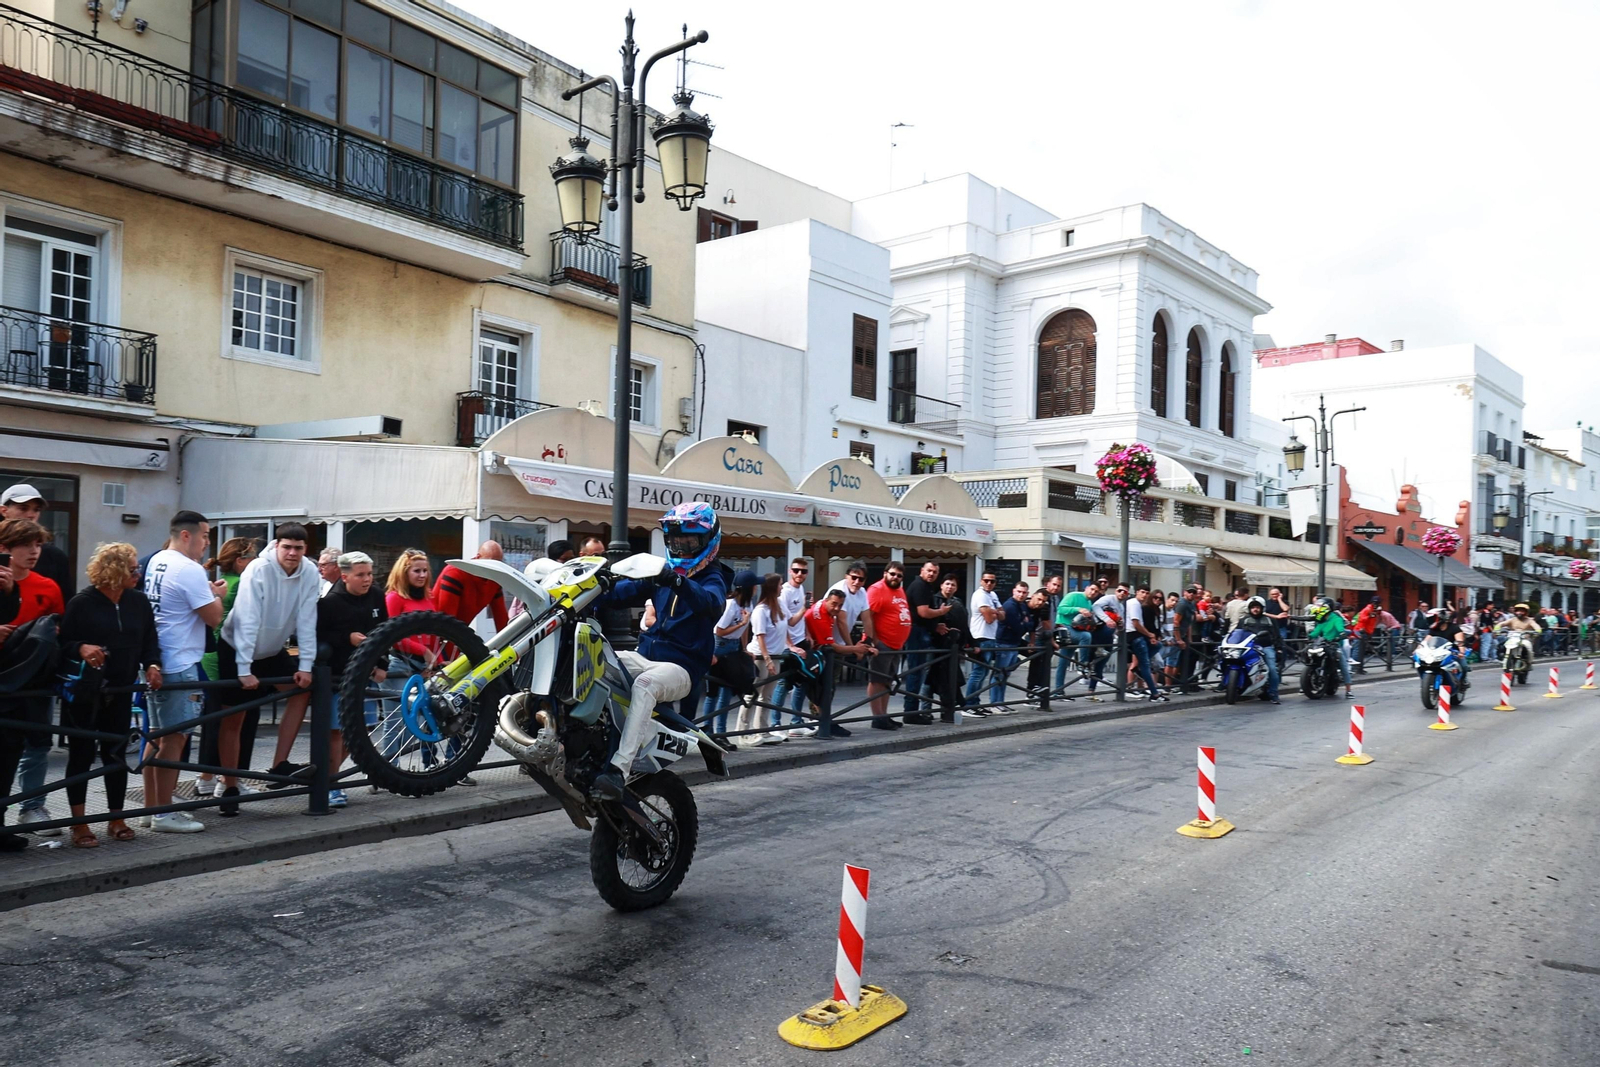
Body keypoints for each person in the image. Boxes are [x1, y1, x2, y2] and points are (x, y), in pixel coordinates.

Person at [588, 502, 727, 800]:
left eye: (690, 541)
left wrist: (676, 580)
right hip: (644, 655)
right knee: (591, 656)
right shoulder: (661, 576)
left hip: (681, 669)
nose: (682, 548)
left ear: (708, 541)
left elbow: (710, 604)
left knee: (645, 685)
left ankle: (618, 770)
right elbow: (621, 594)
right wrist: (594, 589)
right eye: (677, 541)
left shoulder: (713, 578)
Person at [56, 543, 161, 846]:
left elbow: (149, 642)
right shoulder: (82, 602)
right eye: (132, 569)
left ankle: (116, 818)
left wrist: (153, 665)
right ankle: (79, 824)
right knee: (81, 755)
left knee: (115, 755)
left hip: (121, 689)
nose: (138, 573)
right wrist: (80, 647)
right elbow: (62, 644)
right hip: (85, 692)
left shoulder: (138, 602)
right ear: (114, 570)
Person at [219, 527, 319, 813]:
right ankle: (230, 787)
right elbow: (248, 619)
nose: (292, 553)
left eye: (298, 548)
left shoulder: (310, 572)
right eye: (287, 547)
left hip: (273, 650)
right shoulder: (258, 570)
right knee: (233, 719)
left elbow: (307, 620)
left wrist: (305, 665)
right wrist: (243, 667)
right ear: (276, 545)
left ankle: (279, 766)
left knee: (302, 690)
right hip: (236, 646)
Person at [142, 512, 226, 833]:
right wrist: (217, 595)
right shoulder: (188, 568)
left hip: (158, 660)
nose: (208, 543)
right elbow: (214, 617)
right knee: (174, 740)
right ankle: (164, 813)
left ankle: (154, 809)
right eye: (205, 536)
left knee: (158, 737)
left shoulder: (158, 560)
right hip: (178, 662)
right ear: (187, 535)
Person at [0, 519, 67, 833]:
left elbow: (60, 630)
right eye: (26, 545)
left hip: (35, 681)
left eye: (38, 545)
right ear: (5, 548)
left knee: (38, 743)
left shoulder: (48, 586)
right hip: (3, 679)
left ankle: (32, 807)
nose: (34, 551)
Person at [315, 551, 388, 809]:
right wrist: (347, 638)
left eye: (369, 574)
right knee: (337, 731)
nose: (367, 579)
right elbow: (319, 637)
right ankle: (330, 785)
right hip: (338, 676)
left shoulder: (377, 595)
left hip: (366, 675)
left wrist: (382, 663)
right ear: (345, 576)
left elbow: (385, 630)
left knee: (363, 729)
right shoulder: (330, 602)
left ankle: (333, 775)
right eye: (360, 575)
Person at [194, 536, 258, 800]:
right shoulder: (242, 584)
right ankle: (229, 778)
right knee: (236, 722)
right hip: (228, 657)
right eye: (253, 558)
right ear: (241, 561)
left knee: (214, 722)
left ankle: (207, 777)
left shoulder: (223, 582)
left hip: (209, 656)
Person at [702, 571, 758, 741]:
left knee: (727, 690)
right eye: (755, 585)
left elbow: (744, 630)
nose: (757, 588)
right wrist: (742, 623)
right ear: (750, 588)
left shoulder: (748, 605)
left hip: (733, 646)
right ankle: (707, 730)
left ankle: (721, 731)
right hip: (719, 645)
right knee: (713, 690)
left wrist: (744, 647)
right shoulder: (731, 605)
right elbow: (719, 630)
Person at [744, 572, 793, 746]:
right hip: (760, 657)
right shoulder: (760, 610)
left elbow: (791, 622)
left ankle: (762, 731)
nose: (782, 587)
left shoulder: (779, 605)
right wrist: (768, 659)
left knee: (767, 697)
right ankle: (744, 732)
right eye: (780, 584)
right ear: (773, 586)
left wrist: (805, 607)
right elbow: (760, 636)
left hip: (776, 656)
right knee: (752, 695)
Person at [1, 484, 73, 601]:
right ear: (4, 510)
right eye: (23, 508)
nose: (31, 515)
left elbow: (65, 602)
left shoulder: (54, 556)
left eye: (36, 510)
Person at [861, 562, 912, 730]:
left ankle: (884, 714)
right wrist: (874, 641)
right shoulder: (877, 589)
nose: (895, 577)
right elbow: (868, 616)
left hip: (897, 644)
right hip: (883, 643)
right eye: (892, 574)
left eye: (899, 576)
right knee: (877, 680)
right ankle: (877, 717)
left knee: (888, 680)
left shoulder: (899, 590)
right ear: (885, 573)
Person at [900, 561, 950, 724]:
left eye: (934, 572)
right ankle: (910, 712)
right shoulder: (920, 586)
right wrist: (940, 612)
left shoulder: (925, 586)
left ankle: (912, 710)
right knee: (916, 671)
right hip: (916, 632)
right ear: (922, 571)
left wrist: (935, 625)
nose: (931, 574)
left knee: (919, 671)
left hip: (919, 630)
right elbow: (923, 612)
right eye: (929, 571)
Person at [770, 558, 814, 735]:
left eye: (803, 571)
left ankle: (796, 721)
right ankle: (775, 724)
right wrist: (790, 645)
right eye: (796, 570)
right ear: (790, 571)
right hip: (788, 645)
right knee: (783, 684)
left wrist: (807, 634)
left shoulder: (800, 588)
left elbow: (799, 619)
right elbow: (785, 622)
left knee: (802, 682)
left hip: (800, 641)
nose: (799, 574)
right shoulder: (785, 592)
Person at [434, 541, 511, 634]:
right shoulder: (456, 573)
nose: (493, 567)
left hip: (456, 630)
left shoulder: (494, 580)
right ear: (478, 557)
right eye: (490, 562)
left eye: (498, 563)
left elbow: (501, 619)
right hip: (432, 630)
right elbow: (446, 620)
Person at [932, 574, 971, 721]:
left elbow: (964, 625)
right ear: (941, 585)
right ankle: (925, 710)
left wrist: (970, 643)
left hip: (954, 647)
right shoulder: (934, 600)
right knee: (933, 681)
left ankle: (948, 709)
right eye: (947, 583)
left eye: (953, 585)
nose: (949, 587)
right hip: (938, 647)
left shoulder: (957, 602)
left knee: (951, 679)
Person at [991, 581, 1033, 712]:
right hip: (1004, 643)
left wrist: (1024, 624)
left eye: (1024, 592)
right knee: (999, 674)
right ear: (1013, 591)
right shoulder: (1009, 606)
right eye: (1019, 592)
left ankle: (1000, 702)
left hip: (1013, 643)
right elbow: (1017, 627)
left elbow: (1029, 624)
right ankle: (994, 703)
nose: (1021, 595)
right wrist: (1023, 624)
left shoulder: (1022, 606)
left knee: (1005, 675)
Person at [965, 571, 1003, 711]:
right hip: (980, 637)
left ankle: (976, 702)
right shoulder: (980, 595)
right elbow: (989, 619)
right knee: (977, 673)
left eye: (992, 581)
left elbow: (1003, 615)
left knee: (984, 673)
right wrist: (995, 612)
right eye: (986, 580)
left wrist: (993, 611)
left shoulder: (993, 595)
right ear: (981, 581)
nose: (989, 583)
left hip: (991, 637)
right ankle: (968, 704)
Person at [1235, 595, 1282, 704]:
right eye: (1253, 607)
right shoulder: (1244, 620)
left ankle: (1274, 693)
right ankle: (1227, 686)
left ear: (1262, 608)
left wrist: (1279, 649)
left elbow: (1277, 635)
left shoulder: (1269, 620)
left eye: (1257, 607)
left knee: (1272, 669)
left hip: (1266, 647)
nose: (1255, 609)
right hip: (1248, 647)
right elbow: (1237, 634)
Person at [1125, 587, 1167, 701]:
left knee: (1155, 649)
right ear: (1137, 592)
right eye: (1142, 592)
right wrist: (1149, 635)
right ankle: (1154, 693)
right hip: (1135, 636)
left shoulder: (1139, 605)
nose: (1144, 595)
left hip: (1138, 636)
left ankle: (1141, 676)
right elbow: (1136, 623)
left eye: (1147, 593)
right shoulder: (1135, 604)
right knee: (1145, 664)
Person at [1055, 580, 1097, 694]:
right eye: (1092, 589)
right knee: (1086, 637)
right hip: (1065, 627)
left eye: (1096, 591)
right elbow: (1061, 609)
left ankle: (1058, 691)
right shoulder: (1073, 596)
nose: (1093, 592)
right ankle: (1082, 665)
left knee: (1064, 662)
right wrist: (1078, 609)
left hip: (1076, 630)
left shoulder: (1089, 603)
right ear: (1086, 588)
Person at [1308, 597, 1353, 698]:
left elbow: (1340, 628)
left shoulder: (1336, 618)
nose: (1318, 609)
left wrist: (1342, 633)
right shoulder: (1322, 620)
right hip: (1322, 644)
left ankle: (1348, 691)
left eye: (1320, 606)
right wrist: (1310, 636)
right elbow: (1317, 631)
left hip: (1334, 645)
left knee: (1344, 666)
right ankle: (1306, 683)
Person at [824, 563, 869, 644]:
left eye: (861, 579)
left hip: (842, 641)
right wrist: (851, 647)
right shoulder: (840, 590)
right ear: (846, 576)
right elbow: (841, 622)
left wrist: (869, 643)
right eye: (854, 577)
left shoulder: (862, 592)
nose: (857, 582)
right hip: (827, 641)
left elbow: (867, 619)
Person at [1174, 585, 1200, 692]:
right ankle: (1170, 685)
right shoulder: (1182, 604)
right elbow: (1176, 621)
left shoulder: (1191, 604)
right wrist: (1179, 639)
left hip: (1184, 636)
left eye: (1193, 592)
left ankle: (1181, 684)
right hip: (1176, 636)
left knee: (1183, 661)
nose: (1191, 594)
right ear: (1184, 592)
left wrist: (1188, 638)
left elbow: (1189, 623)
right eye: (1189, 592)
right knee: (1174, 662)